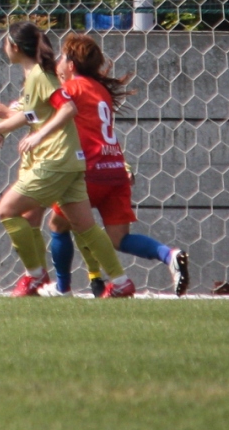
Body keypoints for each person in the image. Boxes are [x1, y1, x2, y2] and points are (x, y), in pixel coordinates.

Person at [0, 22, 133, 297]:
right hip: (71, 161)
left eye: (5, 42)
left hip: (55, 160)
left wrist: (38, 135)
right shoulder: (36, 76)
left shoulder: (41, 75)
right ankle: (120, 281)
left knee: (7, 210)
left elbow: (67, 109)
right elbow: (30, 115)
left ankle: (35, 275)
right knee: (85, 227)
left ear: (15, 46)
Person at [43, 34, 190, 297]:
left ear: (71, 64)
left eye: (61, 58)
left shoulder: (71, 90)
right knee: (119, 238)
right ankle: (169, 255)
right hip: (115, 169)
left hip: (88, 171)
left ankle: (63, 288)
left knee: (57, 224)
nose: (57, 63)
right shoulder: (102, 91)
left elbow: (46, 115)